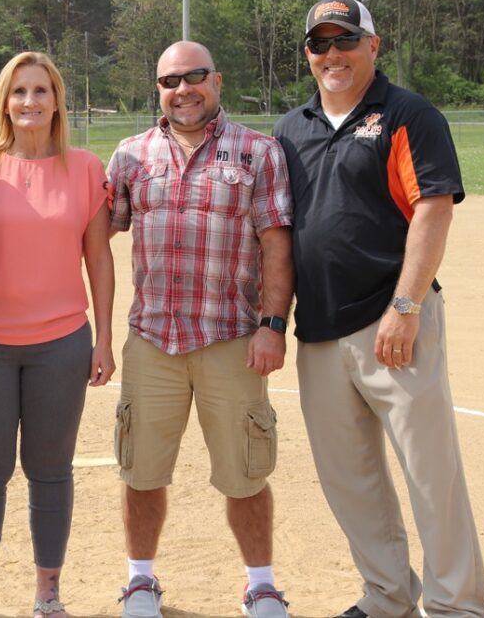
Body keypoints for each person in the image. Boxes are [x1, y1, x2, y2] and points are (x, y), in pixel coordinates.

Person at [273, 0, 484, 618]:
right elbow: (280, 233)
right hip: (317, 329)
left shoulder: (406, 114)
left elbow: (432, 206)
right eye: (320, 43)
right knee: (349, 478)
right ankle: (388, 595)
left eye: (346, 40)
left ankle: (456, 604)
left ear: (375, 44)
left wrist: (407, 305)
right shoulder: (291, 129)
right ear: (309, 54)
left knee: (430, 474)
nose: (333, 54)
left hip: (392, 319)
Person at [107, 41, 293, 618]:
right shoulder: (131, 154)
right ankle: (141, 581)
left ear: (217, 81)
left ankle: (260, 585)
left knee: (245, 473)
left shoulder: (258, 152)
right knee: (141, 472)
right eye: (169, 80)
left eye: (194, 77)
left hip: (232, 339)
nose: (182, 89)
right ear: (157, 88)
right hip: (153, 340)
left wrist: (272, 325)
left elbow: (276, 242)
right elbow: (93, 230)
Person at [0, 51, 115, 618]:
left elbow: (99, 260)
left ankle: (48, 590)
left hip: (61, 343)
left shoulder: (87, 168)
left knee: (50, 471)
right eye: (18, 91)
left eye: (40, 90)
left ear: (57, 99)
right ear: (4, 101)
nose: (29, 101)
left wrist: (103, 339)